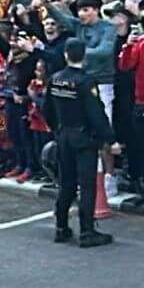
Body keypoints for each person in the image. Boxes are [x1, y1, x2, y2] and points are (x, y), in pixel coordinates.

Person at [46, 40, 117, 247]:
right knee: (87, 186)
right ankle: (87, 231)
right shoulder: (86, 82)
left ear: (66, 54)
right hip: (84, 138)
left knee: (66, 184)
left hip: (63, 136)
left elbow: (48, 109)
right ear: (84, 56)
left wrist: (56, 129)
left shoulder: (56, 79)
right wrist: (109, 138)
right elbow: (96, 114)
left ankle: (61, 227)